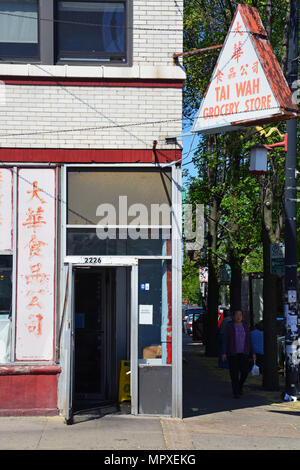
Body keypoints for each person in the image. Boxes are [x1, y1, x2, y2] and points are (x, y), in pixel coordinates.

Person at [222, 310, 256, 398]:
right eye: (237, 315)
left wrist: (253, 352)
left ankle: (240, 386)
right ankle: (236, 392)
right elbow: (225, 340)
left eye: (240, 315)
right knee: (234, 373)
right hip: (233, 352)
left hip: (244, 352)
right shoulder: (229, 326)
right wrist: (224, 352)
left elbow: (249, 340)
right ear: (233, 316)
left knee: (245, 371)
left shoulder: (245, 326)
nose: (238, 317)